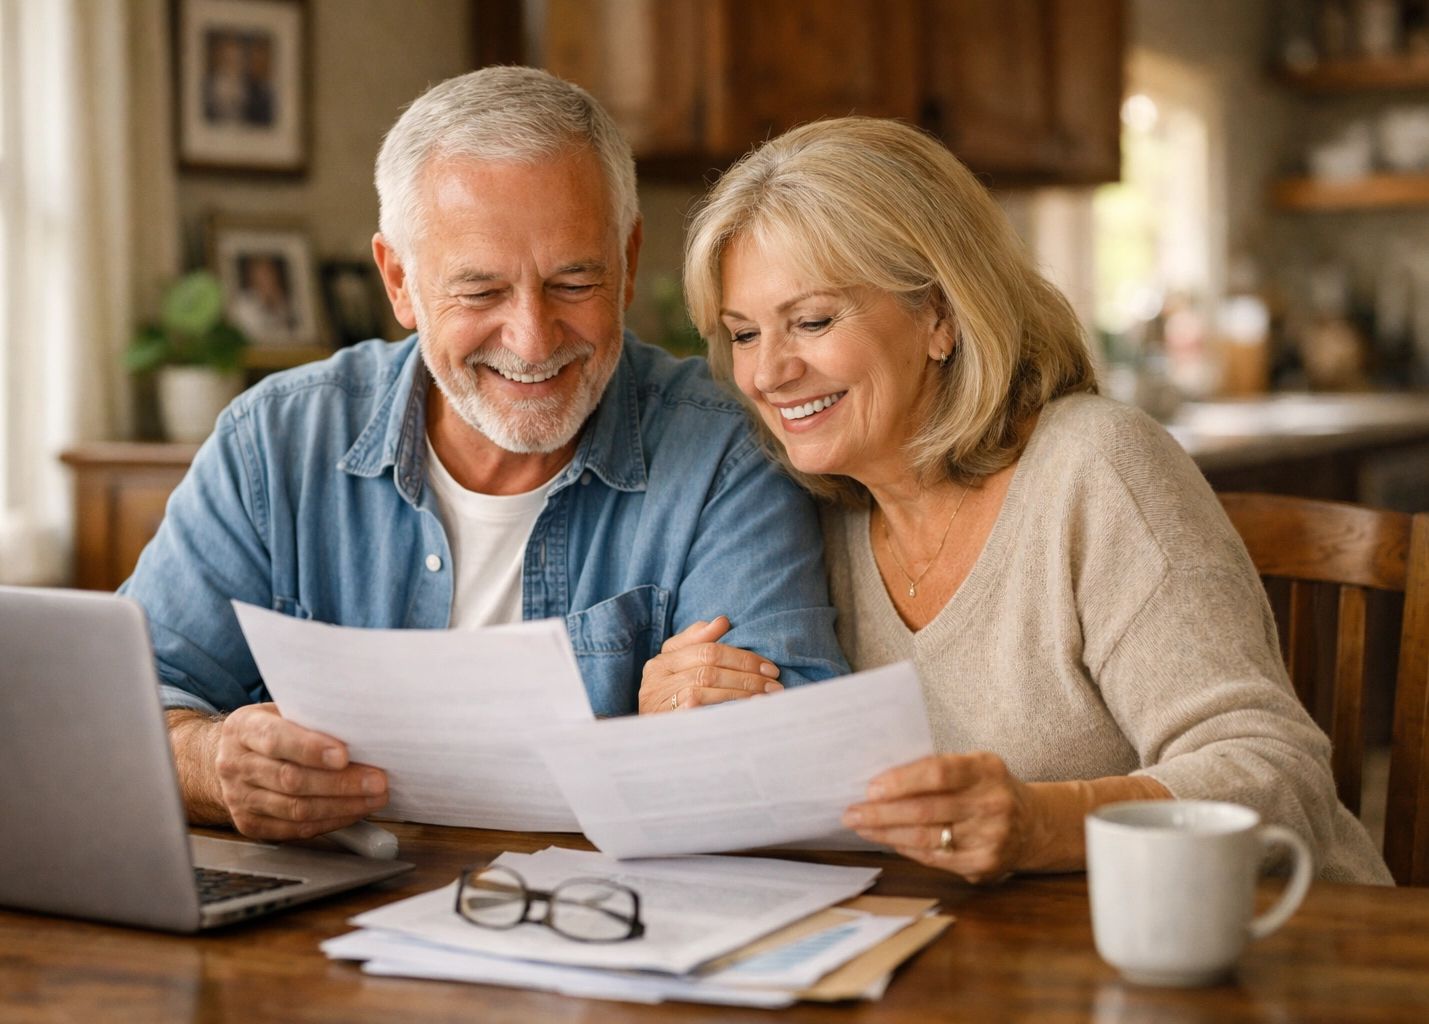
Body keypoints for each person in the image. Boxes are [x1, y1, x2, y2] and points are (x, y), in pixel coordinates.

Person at [651, 117, 1391, 885]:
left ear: (939, 315)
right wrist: (675, 724)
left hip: (1277, 947)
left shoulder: (1096, 468)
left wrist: (1043, 824)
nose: (768, 373)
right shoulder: (798, 520)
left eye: (812, 321)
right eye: (743, 334)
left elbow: (1276, 775)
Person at [122, 67, 846, 842]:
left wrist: (667, 746)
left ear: (630, 262)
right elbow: (120, 708)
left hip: (599, 931)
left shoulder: (724, 455)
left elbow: (795, 751)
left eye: (574, 280)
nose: (532, 340)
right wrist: (211, 762)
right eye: (479, 292)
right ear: (399, 281)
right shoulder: (274, 443)